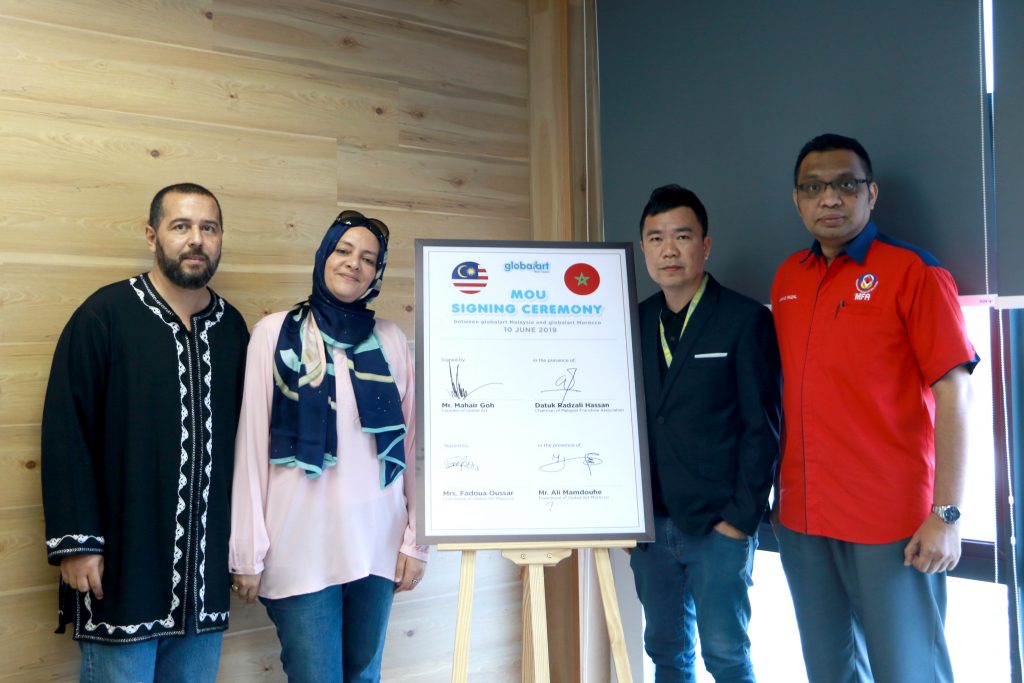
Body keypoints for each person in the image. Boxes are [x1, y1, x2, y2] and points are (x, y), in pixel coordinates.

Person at [771, 133, 978, 683]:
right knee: (830, 671)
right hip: (804, 518)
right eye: (813, 188)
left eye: (846, 184)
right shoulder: (789, 277)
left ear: (871, 193)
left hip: (891, 523)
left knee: (909, 671)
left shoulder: (914, 272)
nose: (829, 198)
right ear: (797, 200)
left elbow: (956, 393)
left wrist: (948, 514)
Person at [40, 183, 249, 682]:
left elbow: (249, 447)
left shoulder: (232, 329)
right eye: (181, 226)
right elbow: (67, 429)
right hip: (121, 565)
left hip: (204, 573)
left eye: (209, 228)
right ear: (153, 236)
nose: (196, 239)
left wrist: (247, 548)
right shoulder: (106, 315)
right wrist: (77, 542)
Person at [229, 210, 427, 683]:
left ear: (376, 273)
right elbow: (251, 446)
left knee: (364, 676)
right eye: (344, 250)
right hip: (300, 547)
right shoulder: (274, 334)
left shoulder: (391, 340)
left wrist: (416, 542)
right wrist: (246, 552)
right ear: (323, 256)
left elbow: (413, 450)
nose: (354, 264)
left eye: (368, 258)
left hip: (378, 546)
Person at [631, 184, 781, 682]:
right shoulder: (634, 320)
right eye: (656, 238)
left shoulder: (745, 319)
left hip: (718, 525)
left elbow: (763, 427)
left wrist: (740, 519)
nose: (669, 250)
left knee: (726, 656)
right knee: (666, 654)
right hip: (651, 528)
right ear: (644, 248)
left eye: (682, 236)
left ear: (706, 244)